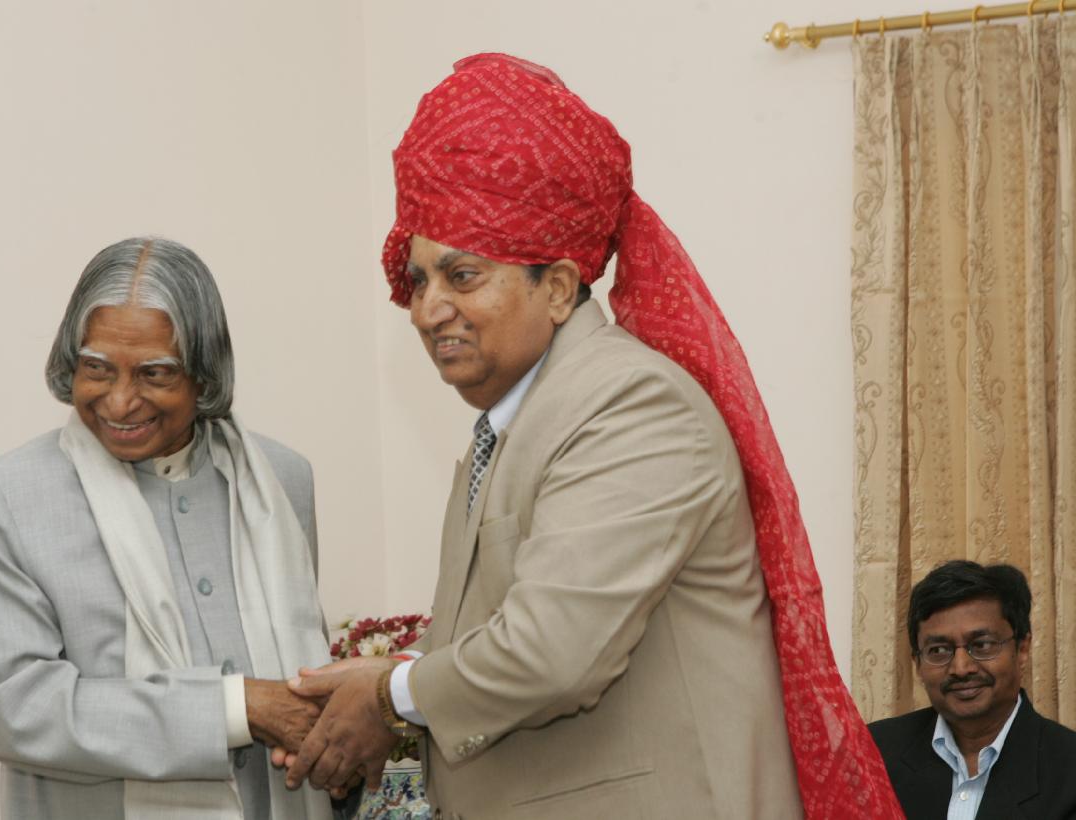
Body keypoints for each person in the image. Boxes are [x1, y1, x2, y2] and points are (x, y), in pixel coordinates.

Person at [280, 54, 902, 819]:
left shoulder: (631, 408)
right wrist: (389, 688)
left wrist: (387, 694)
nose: (427, 309)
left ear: (559, 287)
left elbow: (549, 652)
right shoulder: (513, 426)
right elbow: (492, 634)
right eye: (418, 280)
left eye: (462, 276)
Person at [0, 237, 338, 820]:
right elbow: (20, 710)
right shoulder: (7, 498)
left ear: (204, 375)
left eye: (155, 373)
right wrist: (237, 708)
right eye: (97, 369)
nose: (121, 401)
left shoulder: (281, 481)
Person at [869, 561, 1076, 819]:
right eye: (939, 650)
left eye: (982, 645)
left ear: (1022, 649)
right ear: (917, 663)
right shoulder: (872, 754)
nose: (961, 668)